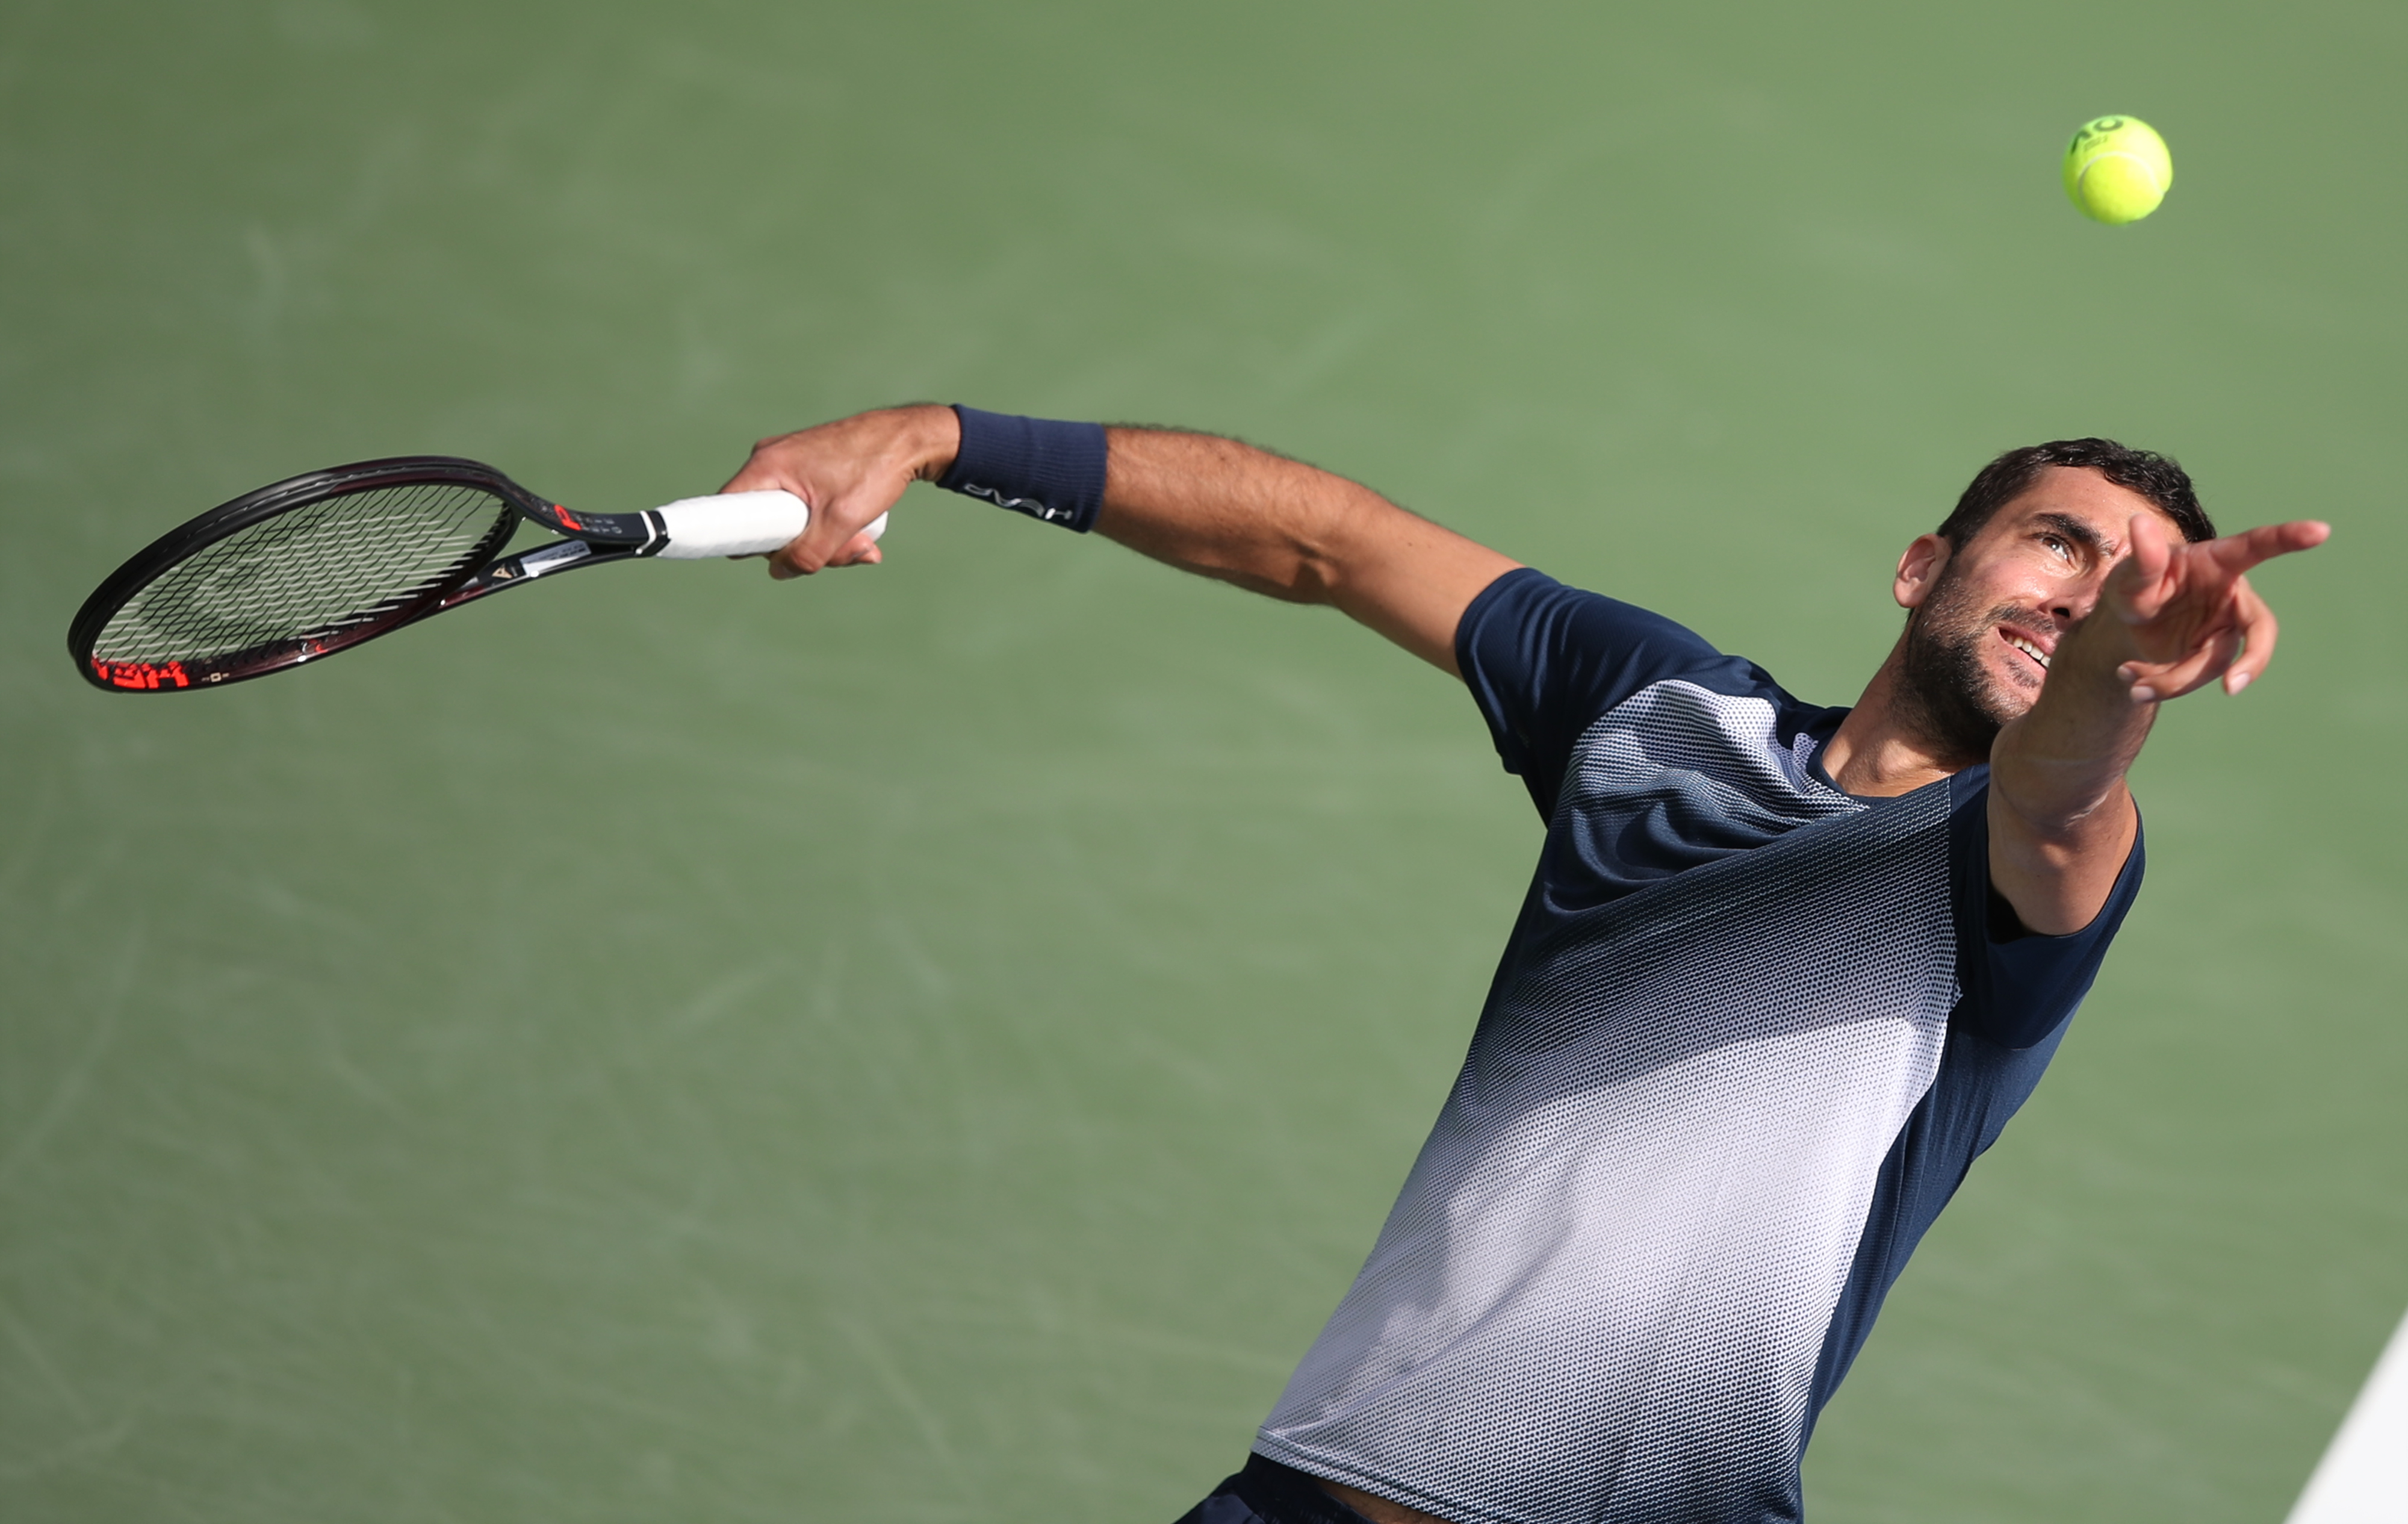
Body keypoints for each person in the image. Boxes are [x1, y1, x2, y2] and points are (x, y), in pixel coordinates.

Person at [722, 406, 2328, 1524]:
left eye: (2136, 589)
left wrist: (2104, 691)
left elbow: (2059, 798)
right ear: (1924, 566)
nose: (2089, 594)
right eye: (2060, 544)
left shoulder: (2029, 878)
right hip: (1307, 1501)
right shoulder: (1658, 720)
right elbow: (1325, 545)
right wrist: (938, 440)